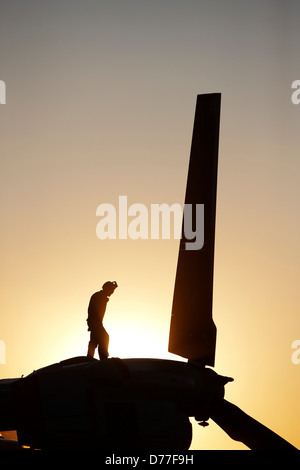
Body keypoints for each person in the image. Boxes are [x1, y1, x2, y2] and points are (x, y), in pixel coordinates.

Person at [86, 281, 118, 360]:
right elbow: (93, 311)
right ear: (106, 289)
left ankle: (90, 357)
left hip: (96, 322)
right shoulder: (99, 296)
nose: (112, 292)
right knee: (104, 337)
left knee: (94, 340)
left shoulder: (101, 296)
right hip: (95, 322)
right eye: (111, 290)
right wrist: (94, 324)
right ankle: (103, 358)